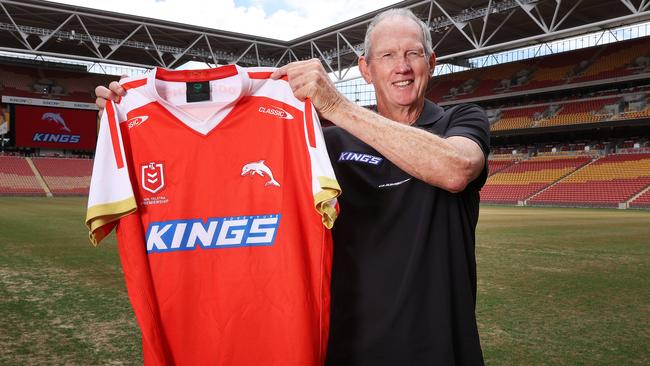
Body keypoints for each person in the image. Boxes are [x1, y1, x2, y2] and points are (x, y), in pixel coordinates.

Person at [96, 8, 489, 365]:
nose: (401, 67)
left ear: (432, 63)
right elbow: (222, 161)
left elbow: (455, 169)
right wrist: (129, 124)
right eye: (387, 56)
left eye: (413, 54)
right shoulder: (329, 144)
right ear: (365, 69)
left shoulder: (461, 121)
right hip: (346, 351)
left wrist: (336, 106)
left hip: (442, 349)